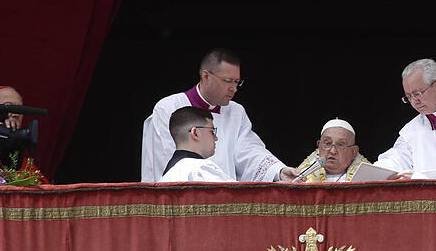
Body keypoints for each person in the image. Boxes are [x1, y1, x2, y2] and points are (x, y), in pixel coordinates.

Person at [141, 48, 297, 183]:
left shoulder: (236, 112)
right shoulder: (168, 107)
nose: (234, 89)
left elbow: (249, 152)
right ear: (206, 76)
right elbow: (165, 162)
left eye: (237, 82)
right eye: (228, 81)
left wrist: (278, 171)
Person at [160, 106, 233, 182]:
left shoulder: (166, 176)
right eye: (212, 132)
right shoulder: (200, 169)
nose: (216, 138)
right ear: (195, 133)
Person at [293, 119, 370, 183]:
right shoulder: (300, 179)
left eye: (340, 145)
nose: (332, 151)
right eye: (327, 143)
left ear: (353, 152)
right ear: (319, 146)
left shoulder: (368, 178)